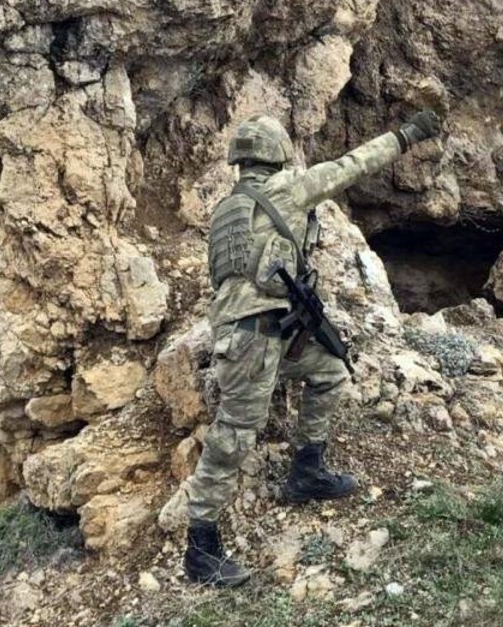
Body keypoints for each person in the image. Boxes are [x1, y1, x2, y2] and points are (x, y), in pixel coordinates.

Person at [184, 110, 441, 586]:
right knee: (234, 434)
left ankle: (307, 472)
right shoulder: (286, 190)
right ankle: (200, 548)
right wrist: (407, 134)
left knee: (329, 370)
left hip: (265, 331)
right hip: (253, 337)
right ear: (278, 154)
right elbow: (353, 165)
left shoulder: (226, 210)